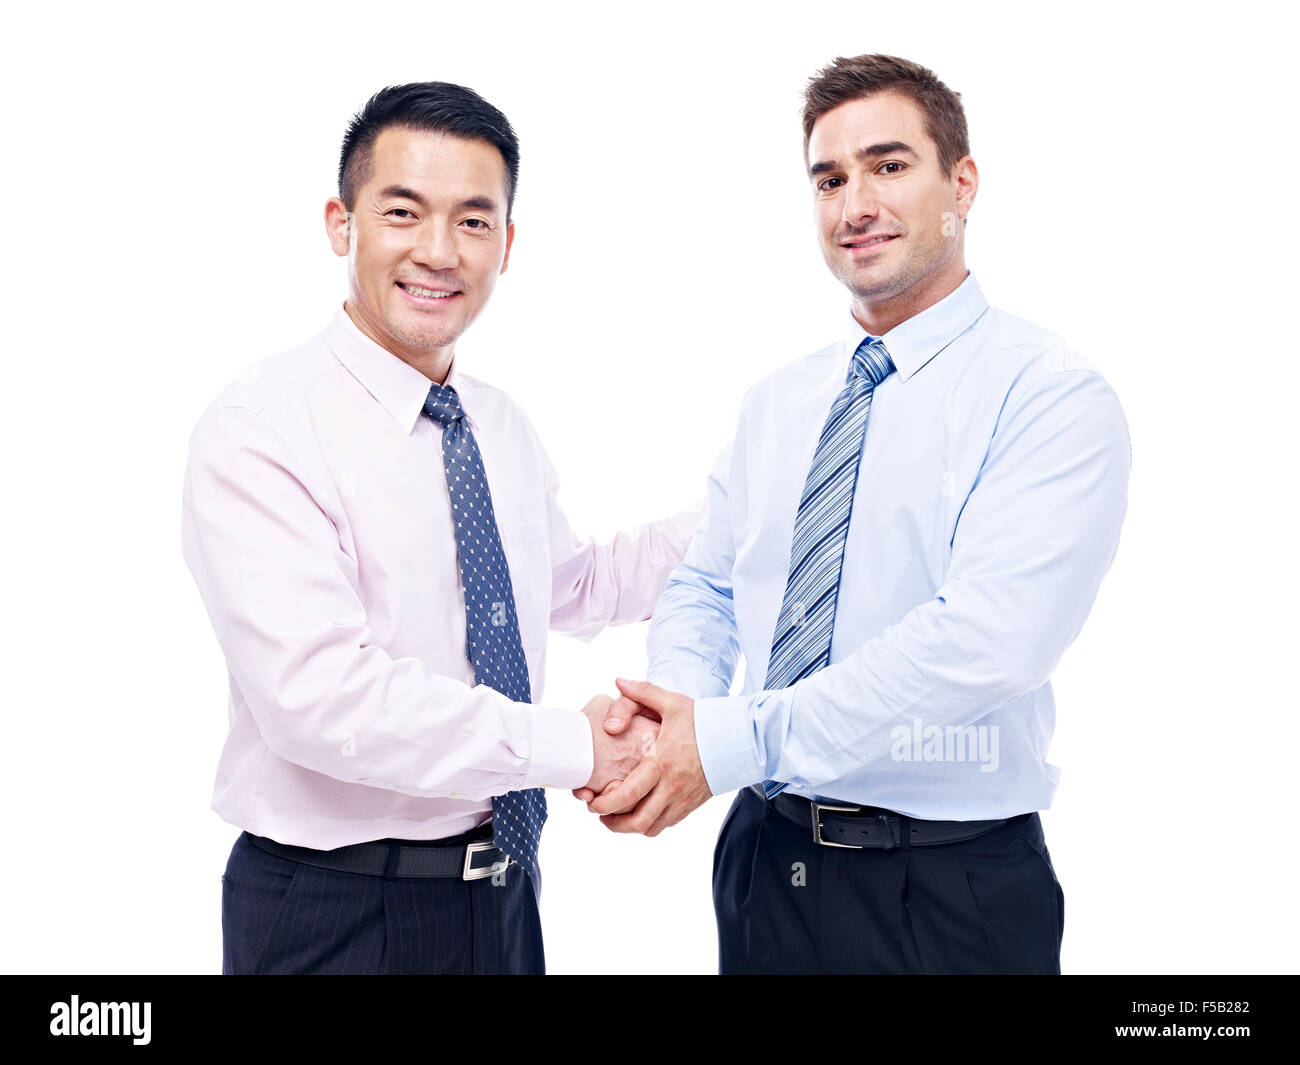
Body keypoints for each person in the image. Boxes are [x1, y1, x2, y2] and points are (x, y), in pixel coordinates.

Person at [578, 54, 1132, 974]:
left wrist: (726, 742)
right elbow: (709, 581)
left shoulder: (1049, 395)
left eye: (888, 165)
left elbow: (985, 640)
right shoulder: (779, 401)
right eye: (829, 179)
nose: (854, 204)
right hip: (766, 858)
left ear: (963, 182)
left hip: (945, 888)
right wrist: (678, 710)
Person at [181, 81, 695, 975]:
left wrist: (748, 517)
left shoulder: (494, 422)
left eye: (472, 220)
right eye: (402, 211)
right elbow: (321, 700)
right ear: (341, 224)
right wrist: (573, 745)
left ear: (506, 242)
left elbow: (569, 586)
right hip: (335, 912)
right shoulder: (262, 429)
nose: (437, 251)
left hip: (500, 898)